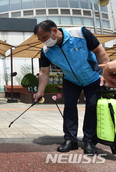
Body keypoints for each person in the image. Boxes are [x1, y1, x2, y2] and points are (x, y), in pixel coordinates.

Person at [33, 20, 109, 155]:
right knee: (69, 106)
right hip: (71, 80)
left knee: (92, 106)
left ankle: (89, 141)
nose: (43, 41)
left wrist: (105, 73)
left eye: (44, 37)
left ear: (54, 31)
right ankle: (70, 140)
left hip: (92, 77)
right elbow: (44, 72)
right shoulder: (46, 51)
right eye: (40, 39)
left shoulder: (80, 34)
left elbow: (99, 51)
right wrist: (40, 92)